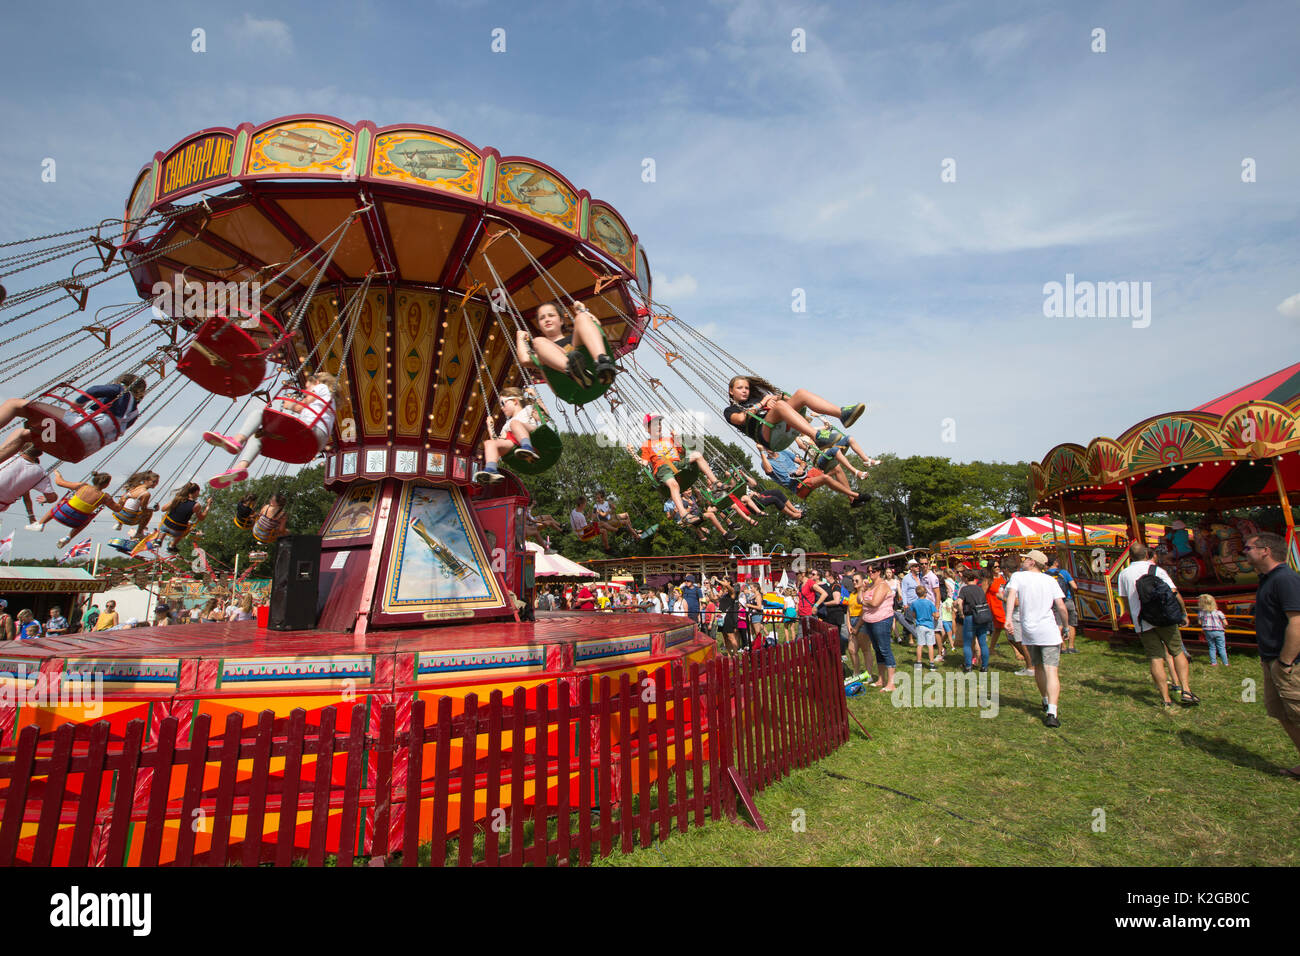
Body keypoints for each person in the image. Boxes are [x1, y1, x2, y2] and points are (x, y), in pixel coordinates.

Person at [206, 372, 338, 487]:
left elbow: (304, 404)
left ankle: (237, 440)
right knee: (257, 437)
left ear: (316, 382)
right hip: (313, 445)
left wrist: (291, 405)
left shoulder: (321, 387)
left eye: (307, 386)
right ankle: (240, 468)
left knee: (260, 413)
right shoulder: (329, 401)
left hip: (312, 432)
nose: (306, 389)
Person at [1243, 532, 1300, 778]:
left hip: (1289, 663)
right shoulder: (1267, 579)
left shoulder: (1285, 579)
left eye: (1248, 548)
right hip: (1271, 660)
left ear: (1265, 550)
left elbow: (1297, 623)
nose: (1244, 552)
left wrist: (1285, 662)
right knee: (1282, 713)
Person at [0, 373, 147, 466]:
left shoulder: (121, 390)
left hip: (78, 429)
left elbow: (93, 390)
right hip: (79, 446)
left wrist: (78, 405)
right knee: (24, 435)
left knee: (14, 404)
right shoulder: (134, 414)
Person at [1116, 542, 1199, 707]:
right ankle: (1186, 690)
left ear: (1130, 557)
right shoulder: (1156, 570)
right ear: (1147, 555)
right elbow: (1174, 592)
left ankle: (1166, 699)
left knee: (1155, 658)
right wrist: (1183, 612)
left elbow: (1124, 601)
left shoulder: (1124, 574)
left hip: (1142, 620)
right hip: (1164, 617)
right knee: (1176, 651)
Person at [1004, 550, 1067, 728]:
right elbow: (1060, 606)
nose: (1023, 561)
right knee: (1051, 670)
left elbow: (1011, 597)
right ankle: (1052, 712)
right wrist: (1066, 626)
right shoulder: (1049, 580)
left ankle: (1045, 700)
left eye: (1026, 559)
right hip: (1048, 630)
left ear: (1032, 562)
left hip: (1029, 630)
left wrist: (1008, 618)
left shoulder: (1018, 577)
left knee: (1038, 667)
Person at [723, 375, 863, 453]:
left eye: (746, 388)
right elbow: (741, 419)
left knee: (801, 394)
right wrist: (764, 402)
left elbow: (788, 400)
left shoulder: (757, 398)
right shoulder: (730, 410)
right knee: (780, 406)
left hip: (778, 421)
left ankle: (842, 414)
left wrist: (775, 398)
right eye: (740, 388)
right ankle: (817, 437)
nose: (744, 390)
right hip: (766, 434)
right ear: (731, 391)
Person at [634, 415, 722, 522]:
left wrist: (677, 437)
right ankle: (684, 514)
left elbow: (684, 451)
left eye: (659, 424)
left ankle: (717, 484)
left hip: (677, 464)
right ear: (648, 429)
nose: (658, 427)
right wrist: (633, 454)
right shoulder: (647, 444)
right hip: (663, 469)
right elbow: (644, 463)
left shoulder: (669, 439)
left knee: (697, 455)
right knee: (674, 484)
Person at [515, 300, 617, 388]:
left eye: (551, 315)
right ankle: (574, 372)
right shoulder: (542, 347)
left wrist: (582, 311)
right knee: (538, 341)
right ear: (539, 326)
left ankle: (602, 362)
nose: (547, 319)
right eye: (542, 318)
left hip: (593, 369)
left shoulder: (576, 337)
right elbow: (524, 360)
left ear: (561, 320)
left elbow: (595, 325)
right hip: (570, 385)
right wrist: (520, 338)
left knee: (581, 318)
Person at [26, 470, 113, 548]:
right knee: (87, 519)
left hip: (60, 513)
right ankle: (68, 537)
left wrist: (57, 474)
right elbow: (117, 508)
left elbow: (59, 482)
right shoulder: (105, 497)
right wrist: (124, 499)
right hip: (77, 521)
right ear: (106, 485)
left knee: (60, 504)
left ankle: (41, 524)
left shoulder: (83, 486)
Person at [474, 387, 541, 483]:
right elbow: (497, 442)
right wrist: (490, 428)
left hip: (532, 435)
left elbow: (544, 417)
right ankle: (492, 470)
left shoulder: (528, 409)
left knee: (515, 424)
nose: (501, 407)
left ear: (514, 401)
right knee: (489, 443)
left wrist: (535, 396)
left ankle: (527, 447)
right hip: (514, 444)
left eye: (503, 403)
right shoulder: (506, 425)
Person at [0, 443, 57, 524]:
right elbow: (52, 498)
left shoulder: (8, 456)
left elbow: (26, 497)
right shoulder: (39, 473)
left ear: (21, 449)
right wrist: (46, 500)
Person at [954, 569, 992, 674]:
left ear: (966, 578)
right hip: (982, 617)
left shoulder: (965, 590)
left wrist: (961, 614)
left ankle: (968, 666)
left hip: (970, 617)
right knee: (983, 643)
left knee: (967, 643)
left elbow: (960, 602)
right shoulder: (979, 589)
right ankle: (984, 666)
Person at [106, 470, 160, 539]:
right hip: (129, 518)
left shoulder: (135, 486)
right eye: (153, 482)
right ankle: (139, 533)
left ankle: (119, 524)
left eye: (156, 482)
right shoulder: (146, 494)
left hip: (118, 514)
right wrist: (154, 509)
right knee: (149, 513)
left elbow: (123, 499)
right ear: (146, 480)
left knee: (128, 501)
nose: (155, 484)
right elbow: (143, 509)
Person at [159, 483, 207, 553]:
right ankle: (172, 546)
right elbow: (201, 518)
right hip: (177, 531)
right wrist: (208, 507)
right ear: (196, 491)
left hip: (165, 526)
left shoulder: (178, 499)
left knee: (166, 525)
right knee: (187, 527)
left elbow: (163, 509)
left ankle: (159, 540)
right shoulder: (196, 505)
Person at [1045, 554, 1079, 654]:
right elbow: (1074, 586)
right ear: (1056, 562)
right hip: (1067, 600)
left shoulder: (1045, 575)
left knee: (1058, 624)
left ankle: (1062, 647)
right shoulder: (1064, 572)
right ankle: (1071, 647)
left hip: (1055, 602)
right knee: (1071, 623)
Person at [911, 584, 939, 669]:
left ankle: (919, 663)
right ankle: (931, 664)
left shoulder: (914, 603)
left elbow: (914, 615)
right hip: (929, 625)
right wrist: (936, 616)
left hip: (920, 625)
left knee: (920, 645)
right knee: (930, 645)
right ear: (925, 593)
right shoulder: (929, 603)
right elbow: (935, 614)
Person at [1197, 593, 1229, 666]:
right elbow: (1225, 623)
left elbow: (1199, 622)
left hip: (1208, 631)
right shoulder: (1219, 613)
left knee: (1212, 647)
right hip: (1219, 631)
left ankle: (1214, 662)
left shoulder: (1201, 613)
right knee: (1221, 647)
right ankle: (1226, 663)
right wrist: (1223, 626)